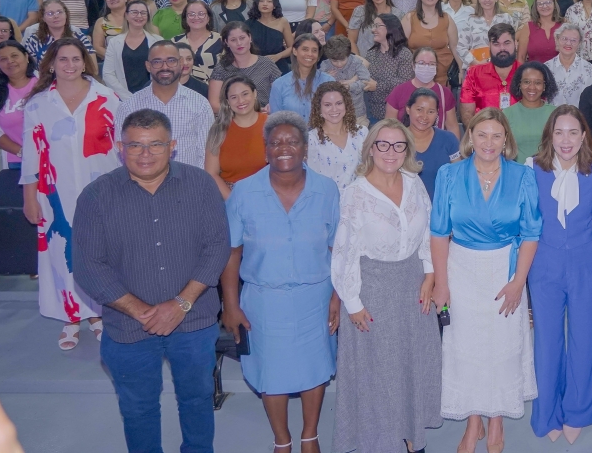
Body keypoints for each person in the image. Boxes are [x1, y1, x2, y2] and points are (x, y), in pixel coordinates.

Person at [74, 109, 229, 453]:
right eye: (135, 145)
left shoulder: (201, 185)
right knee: (138, 409)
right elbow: (88, 265)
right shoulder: (96, 196)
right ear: (120, 148)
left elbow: (217, 246)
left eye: (156, 144)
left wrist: (180, 304)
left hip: (194, 321)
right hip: (128, 327)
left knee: (197, 401)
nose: (145, 154)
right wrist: (142, 311)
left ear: (172, 146)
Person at [221, 112, 341, 453]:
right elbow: (231, 252)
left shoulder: (326, 189)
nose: (284, 148)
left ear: (305, 148)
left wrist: (337, 296)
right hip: (264, 300)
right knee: (271, 372)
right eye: (275, 142)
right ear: (266, 150)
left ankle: (310, 437)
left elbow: (338, 249)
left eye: (292, 141)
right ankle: (282, 440)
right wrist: (231, 305)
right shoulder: (244, 192)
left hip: (316, 297)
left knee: (314, 367)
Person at [326, 118, 443, 453]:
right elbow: (344, 252)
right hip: (372, 291)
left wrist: (430, 274)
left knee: (412, 366)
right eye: (383, 144)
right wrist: (352, 303)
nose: (390, 152)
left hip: (413, 287)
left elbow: (429, 231)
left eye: (398, 145)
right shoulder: (355, 193)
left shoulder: (414, 183)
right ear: (371, 149)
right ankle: (382, 443)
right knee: (380, 374)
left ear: (407, 150)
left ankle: (413, 439)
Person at [430, 108, 541, 453]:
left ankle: (496, 421)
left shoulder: (522, 176)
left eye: (496, 135)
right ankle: (473, 419)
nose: (489, 142)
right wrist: (441, 284)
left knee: (501, 347)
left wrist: (518, 282)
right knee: (467, 348)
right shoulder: (449, 174)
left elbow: (531, 233)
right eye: (482, 134)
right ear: (470, 137)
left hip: (505, 270)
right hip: (461, 269)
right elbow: (439, 232)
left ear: (506, 139)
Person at [20, 37, 119, 350]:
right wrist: (29, 197)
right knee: (62, 255)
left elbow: (121, 148)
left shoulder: (107, 97)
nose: (70, 65)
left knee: (99, 254)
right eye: (63, 59)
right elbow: (31, 155)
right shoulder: (37, 105)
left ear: (84, 62)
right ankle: (71, 317)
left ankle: (98, 315)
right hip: (55, 195)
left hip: (102, 193)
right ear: (51, 64)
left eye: (76, 58)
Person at [523, 106, 592, 443]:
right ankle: (547, 411)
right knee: (547, 339)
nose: (566, 140)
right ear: (550, 135)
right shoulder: (531, 167)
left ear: (584, 135)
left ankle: (579, 409)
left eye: (573, 132)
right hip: (544, 262)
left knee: (586, 336)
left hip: (586, 261)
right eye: (559, 132)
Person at [113, 40, 212, 168]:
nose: (165, 67)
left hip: (188, 179)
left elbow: (206, 153)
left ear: (180, 64)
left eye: (171, 60)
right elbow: (122, 153)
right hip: (143, 179)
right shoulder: (129, 107)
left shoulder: (200, 105)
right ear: (148, 66)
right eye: (157, 62)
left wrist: (196, 179)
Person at [204, 76, 267, 199]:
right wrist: (234, 201)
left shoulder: (272, 125)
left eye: (245, 94)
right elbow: (211, 173)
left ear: (255, 93)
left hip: (267, 195)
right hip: (229, 196)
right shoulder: (218, 130)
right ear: (227, 102)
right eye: (234, 97)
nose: (240, 101)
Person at [206, 21, 281, 112]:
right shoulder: (221, 68)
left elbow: (281, 95)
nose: (239, 43)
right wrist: (242, 111)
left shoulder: (267, 63)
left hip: (265, 116)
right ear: (226, 42)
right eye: (233, 40)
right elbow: (214, 105)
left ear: (250, 38)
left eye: (242, 38)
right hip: (233, 117)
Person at [0, 41, 36, 173]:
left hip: (52, 158)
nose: (10, 61)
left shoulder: (46, 85)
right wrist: (23, 152)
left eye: (14, 56)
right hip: (17, 161)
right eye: (3, 59)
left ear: (26, 56)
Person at [458, 22, 519, 121]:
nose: (502, 48)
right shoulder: (474, 73)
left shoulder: (526, 72)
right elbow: (467, 114)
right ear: (489, 46)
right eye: (496, 44)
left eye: (507, 43)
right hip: (484, 129)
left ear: (515, 44)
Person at [268, 33, 333, 116]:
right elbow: (275, 119)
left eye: (314, 50)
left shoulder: (328, 81)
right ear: (295, 51)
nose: (310, 54)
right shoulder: (279, 85)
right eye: (305, 49)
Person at [24, 0, 97, 67]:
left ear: (66, 14)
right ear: (43, 18)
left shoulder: (79, 38)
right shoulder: (33, 40)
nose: (56, 16)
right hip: (43, 76)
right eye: (50, 13)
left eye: (59, 12)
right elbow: (29, 68)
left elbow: (93, 68)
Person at [545, 23, 592, 108]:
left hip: (578, 115)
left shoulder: (587, 68)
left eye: (573, 40)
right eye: (564, 39)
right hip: (552, 115)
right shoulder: (547, 67)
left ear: (579, 43)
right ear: (557, 39)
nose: (568, 43)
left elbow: (590, 98)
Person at [173, 0, 223, 83]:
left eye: (201, 14)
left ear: (208, 18)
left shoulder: (221, 41)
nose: (196, 17)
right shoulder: (174, 42)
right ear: (185, 18)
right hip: (180, 88)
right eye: (191, 14)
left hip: (214, 89)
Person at [247, 0, 294, 76]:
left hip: (278, 64)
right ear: (257, 4)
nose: (265, 4)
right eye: (261, 1)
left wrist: (278, 56)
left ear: (275, 5)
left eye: (269, 1)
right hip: (255, 65)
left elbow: (292, 48)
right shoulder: (249, 23)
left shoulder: (282, 21)